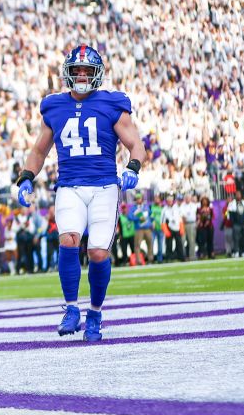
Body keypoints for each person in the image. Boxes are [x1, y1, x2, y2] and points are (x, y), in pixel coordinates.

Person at [15, 44, 148, 342]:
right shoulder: (54, 106)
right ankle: (72, 308)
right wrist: (25, 177)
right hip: (69, 186)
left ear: (98, 73)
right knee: (68, 239)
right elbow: (39, 149)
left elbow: (136, 144)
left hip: (104, 186)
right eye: (78, 70)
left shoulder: (113, 103)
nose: (84, 75)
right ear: (68, 73)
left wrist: (133, 167)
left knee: (98, 252)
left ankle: (95, 314)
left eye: (89, 70)